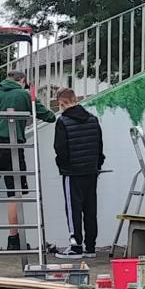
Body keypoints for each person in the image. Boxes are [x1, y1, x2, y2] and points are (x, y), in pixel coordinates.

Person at [0, 70, 57, 256]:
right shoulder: (24, 94)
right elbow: (49, 116)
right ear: (22, 80)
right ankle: (14, 240)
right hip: (15, 147)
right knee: (14, 194)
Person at [52, 88, 105, 259]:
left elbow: (60, 150)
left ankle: (75, 246)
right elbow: (99, 147)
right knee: (90, 209)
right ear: (75, 99)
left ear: (61, 103)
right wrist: (97, 165)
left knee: (73, 209)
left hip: (72, 173)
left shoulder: (62, 122)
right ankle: (90, 247)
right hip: (91, 171)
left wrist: (63, 167)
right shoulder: (93, 119)